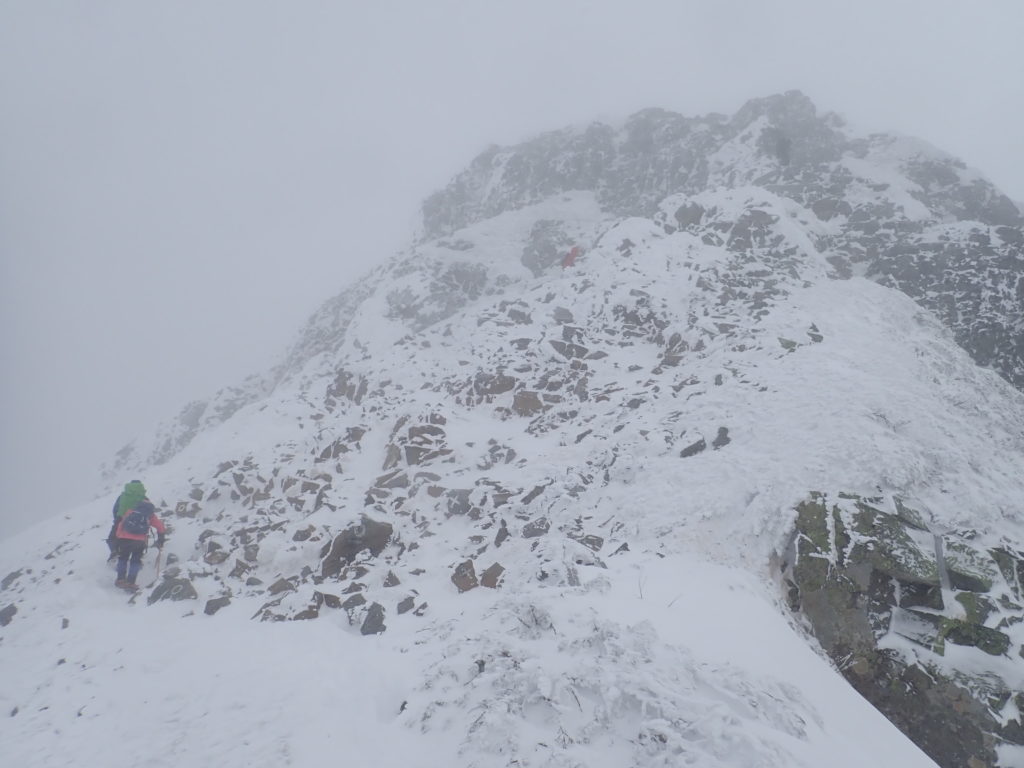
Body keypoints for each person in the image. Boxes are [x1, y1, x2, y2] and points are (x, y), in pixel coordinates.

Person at [113, 499, 166, 591]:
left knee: (123, 558)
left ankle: (120, 579)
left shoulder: (131, 511)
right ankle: (131, 582)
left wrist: (118, 538)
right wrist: (161, 538)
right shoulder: (150, 515)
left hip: (125, 538)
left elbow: (121, 524)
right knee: (135, 560)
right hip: (139, 540)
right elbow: (160, 526)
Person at [107, 480, 148, 558]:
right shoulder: (143, 497)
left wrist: (117, 519)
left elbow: (115, 508)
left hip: (121, 519)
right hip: (139, 521)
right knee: (138, 537)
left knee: (112, 538)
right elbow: (148, 509)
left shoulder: (123, 496)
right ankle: (137, 555)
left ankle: (115, 552)